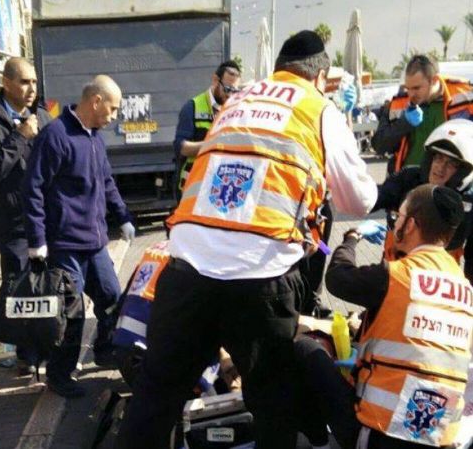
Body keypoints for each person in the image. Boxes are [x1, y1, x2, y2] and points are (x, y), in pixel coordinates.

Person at [115, 30, 378, 449]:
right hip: (260, 279)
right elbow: (357, 200)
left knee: (155, 397)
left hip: (186, 270)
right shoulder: (318, 108)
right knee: (273, 405)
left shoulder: (236, 101)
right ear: (320, 77)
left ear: (278, 69)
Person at [292, 184, 473, 449]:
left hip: (380, 435)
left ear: (410, 225)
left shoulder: (397, 276)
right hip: (439, 438)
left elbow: (337, 277)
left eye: (398, 217)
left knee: (305, 348)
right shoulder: (466, 290)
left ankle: (319, 443)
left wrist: (352, 236)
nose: (394, 223)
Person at [22, 75, 135, 397]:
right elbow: (33, 188)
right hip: (65, 244)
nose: (114, 116)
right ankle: (59, 376)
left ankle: (105, 348)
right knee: (70, 313)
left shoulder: (95, 138)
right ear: (96, 101)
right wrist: (37, 240)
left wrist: (123, 216)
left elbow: (107, 182)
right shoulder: (56, 136)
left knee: (111, 297)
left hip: (95, 242)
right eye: (113, 108)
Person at [0, 57, 51, 374]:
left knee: (49, 287)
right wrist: (20, 136)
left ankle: (49, 348)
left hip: (45, 219)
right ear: (6, 83)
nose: (31, 88)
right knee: (19, 290)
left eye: (34, 82)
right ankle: (26, 354)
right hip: (14, 223)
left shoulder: (43, 116)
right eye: (24, 82)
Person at [373, 119, 473, 280]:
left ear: (464, 171)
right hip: (393, 275)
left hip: (437, 282)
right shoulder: (408, 178)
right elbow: (375, 198)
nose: (440, 168)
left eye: (451, 164)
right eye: (438, 158)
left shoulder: (469, 201)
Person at [372, 54, 473, 173]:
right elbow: (379, 146)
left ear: (434, 80)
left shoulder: (466, 96)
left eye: (416, 88)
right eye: (408, 88)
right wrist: (404, 123)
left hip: (449, 180)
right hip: (408, 178)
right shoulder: (399, 102)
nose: (411, 94)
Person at [173, 60, 241, 200]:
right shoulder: (192, 107)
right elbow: (181, 147)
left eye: (234, 91)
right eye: (227, 89)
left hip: (218, 188)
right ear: (215, 80)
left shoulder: (234, 109)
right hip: (193, 187)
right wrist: (213, 145)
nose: (230, 95)